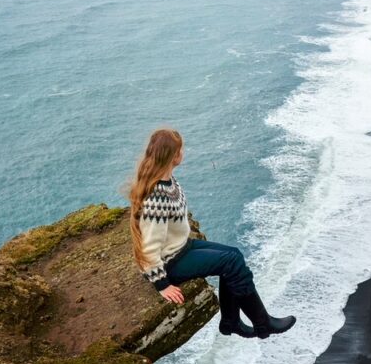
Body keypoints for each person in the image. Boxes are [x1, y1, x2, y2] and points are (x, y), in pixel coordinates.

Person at [121, 127, 296, 339]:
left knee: (234, 255)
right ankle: (263, 323)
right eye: (181, 149)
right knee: (230, 262)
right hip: (170, 262)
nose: (183, 152)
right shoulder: (156, 197)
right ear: (174, 156)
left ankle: (231, 321)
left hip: (181, 247)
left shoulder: (168, 180)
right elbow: (148, 247)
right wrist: (162, 284)